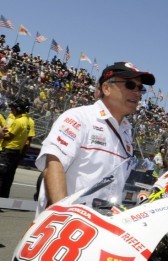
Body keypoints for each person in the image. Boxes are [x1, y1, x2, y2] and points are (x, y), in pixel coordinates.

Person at [35, 62, 155, 213]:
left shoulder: (126, 132)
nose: (137, 93)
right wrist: (63, 216)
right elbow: (53, 164)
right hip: (70, 225)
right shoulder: (79, 117)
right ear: (106, 88)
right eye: (130, 85)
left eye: (140, 88)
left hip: (103, 226)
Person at [0, 98, 33, 197]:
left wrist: (1, 134)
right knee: (8, 176)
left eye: (13, 109)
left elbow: (10, 136)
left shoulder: (20, 121)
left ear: (18, 109)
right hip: (14, 151)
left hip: (8, 150)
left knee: (2, 176)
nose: (11, 111)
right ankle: (4, 200)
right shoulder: (24, 120)